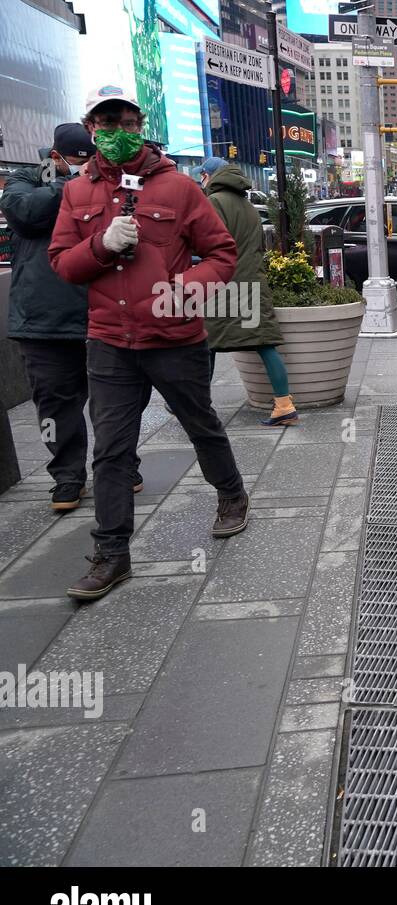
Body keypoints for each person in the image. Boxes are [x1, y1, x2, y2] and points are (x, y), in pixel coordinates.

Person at [48, 84, 246, 601]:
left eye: (126, 122)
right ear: (91, 129)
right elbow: (63, 265)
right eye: (105, 124)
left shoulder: (179, 187)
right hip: (109, 341)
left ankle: (231, 495)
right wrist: (100, 244)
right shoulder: (77, 192)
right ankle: (111, 553)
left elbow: (222, 254)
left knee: (200, 424)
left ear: (141, 126)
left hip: (173, 335)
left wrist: (190, 287)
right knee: (111, 450)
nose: (116, 132)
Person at [2, 122, 149, 511]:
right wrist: (72, 185)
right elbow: (24, 213)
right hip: (43, 321)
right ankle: (67, 476)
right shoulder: (25, 181)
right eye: (78, 162)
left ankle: (121, 465)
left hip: (102, 311)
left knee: (118, 401)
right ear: (55, 158)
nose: (87, 167)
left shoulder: (109, 185)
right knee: (55, 405)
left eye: (91, 161)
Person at [195, 157, 295, 427]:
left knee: (207, 342)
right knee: (263, 342)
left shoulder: (214, 202)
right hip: (251, 280)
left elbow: (208, 244)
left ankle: (195, 405)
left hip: (223, 282)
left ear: (209, 176)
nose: (200, 180)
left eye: (201, 175)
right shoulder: (247, 205)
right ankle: (284, 405)